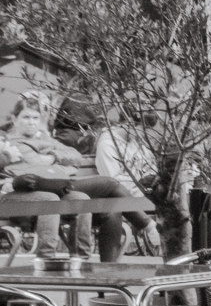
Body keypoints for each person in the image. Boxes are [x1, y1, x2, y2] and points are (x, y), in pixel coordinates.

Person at [2, 101, 155, 260]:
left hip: (57, 185)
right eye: (26, 117)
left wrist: (52, 157)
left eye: (35, 118)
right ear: (14, 119)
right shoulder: (7, 142)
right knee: (109, 184)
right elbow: (33, 163)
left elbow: (75, 156)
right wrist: (56, 163)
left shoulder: (46, 140)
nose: (31, 122)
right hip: (33, 190)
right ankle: (47, 260)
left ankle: (86, 261)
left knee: (104, 205)